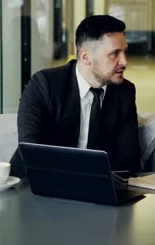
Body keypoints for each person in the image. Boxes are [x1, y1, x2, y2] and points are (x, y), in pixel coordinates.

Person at [10, 15, 141, 178]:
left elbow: (129, 157)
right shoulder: (44, 85)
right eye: (115, 54)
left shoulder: (124, 92)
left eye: (124, 52)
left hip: (96, 188)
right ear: (86, 57)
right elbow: (31, 148)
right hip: (34, 184)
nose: (124, 61)